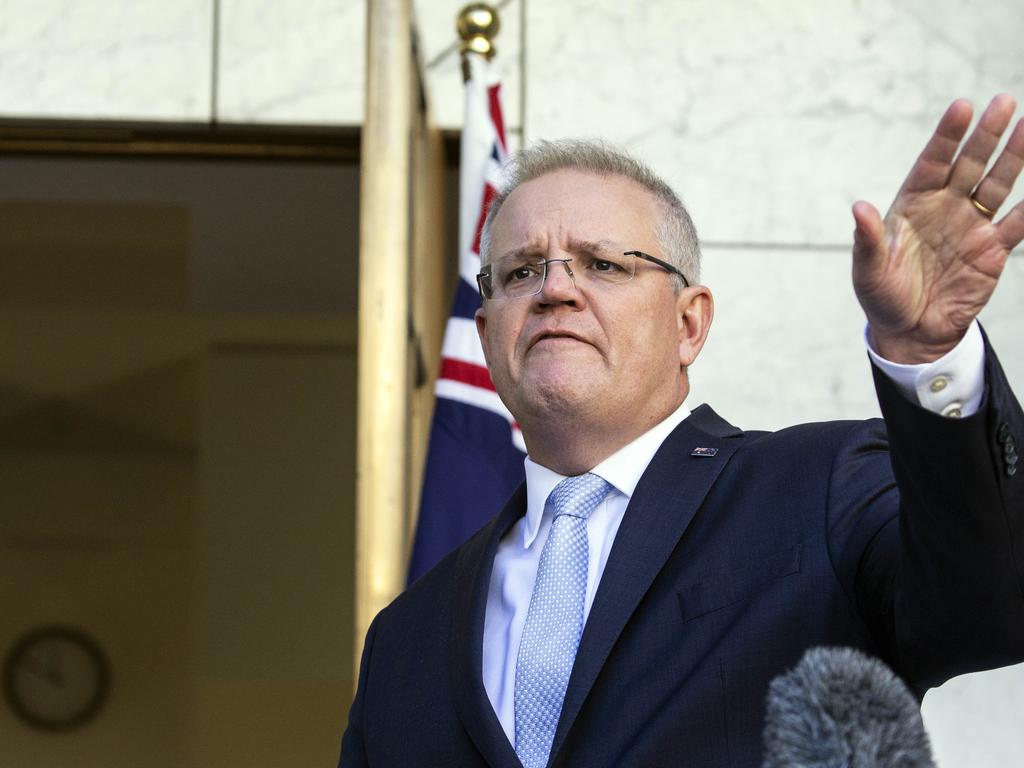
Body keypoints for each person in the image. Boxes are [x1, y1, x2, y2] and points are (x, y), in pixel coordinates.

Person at [340, 95, 1024, 767]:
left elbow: (994, 607)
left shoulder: (819, 489)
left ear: (689, 324)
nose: (554, 289)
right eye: (522, 271)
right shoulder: (404, 640)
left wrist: (929, 355)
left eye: (603, 263)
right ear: (489, 338)